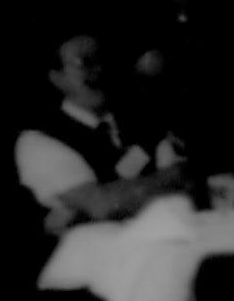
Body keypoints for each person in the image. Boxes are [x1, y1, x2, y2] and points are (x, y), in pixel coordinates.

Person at [12, 28, 183, 236]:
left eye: (100, 59)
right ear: (57, 77)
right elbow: (102, 205)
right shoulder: (38, 141)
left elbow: (185, 190)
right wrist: (170, 178)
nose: (98, 69)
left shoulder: (141, 120)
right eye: (84, 63)